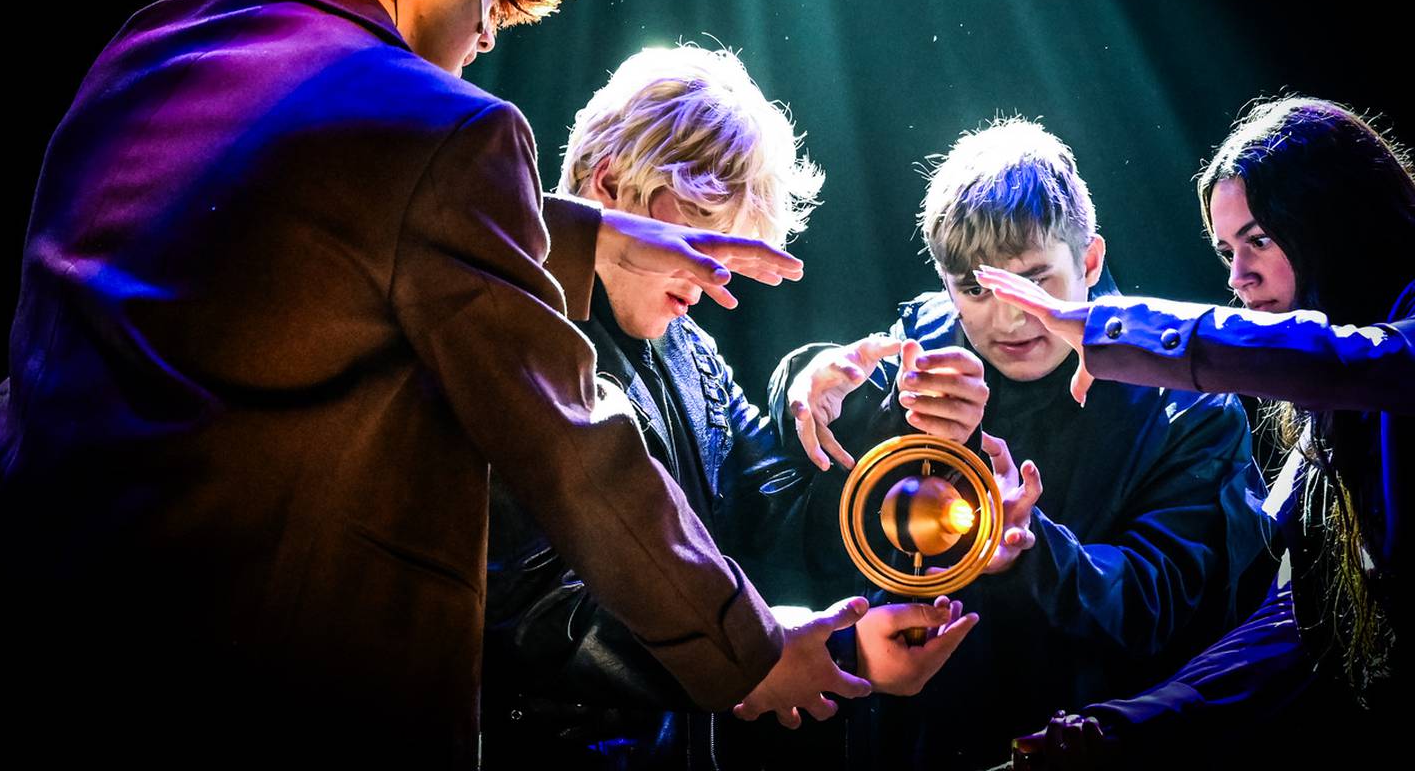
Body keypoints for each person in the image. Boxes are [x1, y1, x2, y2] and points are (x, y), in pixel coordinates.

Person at [0, 0, 838, 764]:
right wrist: (748, 654)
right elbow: (572, 449)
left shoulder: (155, 38)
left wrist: (592, 234)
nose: (485, 41)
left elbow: (313, 203)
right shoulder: (451, 128)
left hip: (49, 613)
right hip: (259, 682)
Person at [481, 44, 979, 769]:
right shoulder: (515, 331)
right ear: (608, 184)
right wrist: (777, 656)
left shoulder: (689, 350)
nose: (715, 278)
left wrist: (893, 424)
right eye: (701, 233)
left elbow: (776, 531)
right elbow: (534, 615)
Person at [734, 118, 1268, 769]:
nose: (1009, 318)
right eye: (975, 289)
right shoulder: (924, 344)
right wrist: (807, 379)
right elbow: (804, 484)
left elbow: (1169, 611)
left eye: (1035, 281)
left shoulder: (1189, 403)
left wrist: (1030, 548)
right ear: (945, 281)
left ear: (1090, 261)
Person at [978, 97, 1413, 768]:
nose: (1238, 277)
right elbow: (1299, 630)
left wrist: (1107, 331)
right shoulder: (1325, 427)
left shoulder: (1379, 360)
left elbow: (1345, 361)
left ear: (1338, 223)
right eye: (1226, 250)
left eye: (1260, 240)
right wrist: (1112, 733)